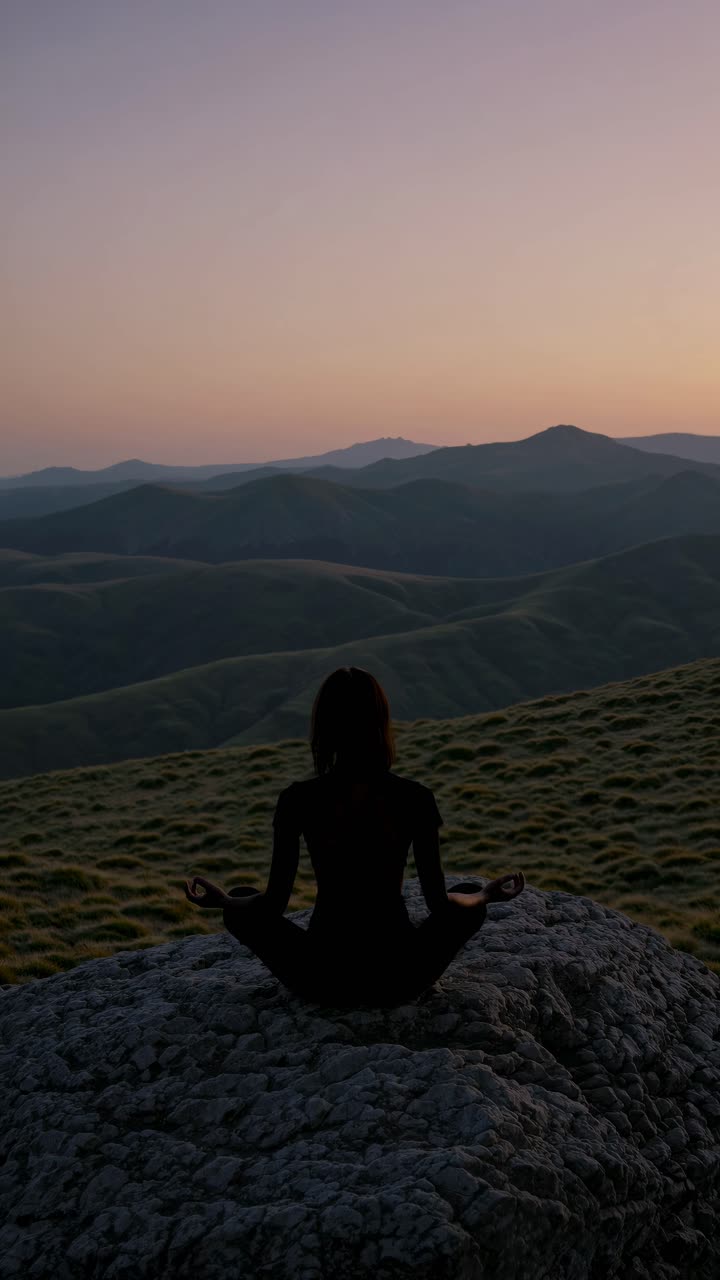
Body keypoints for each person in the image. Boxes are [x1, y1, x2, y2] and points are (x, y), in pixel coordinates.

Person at [184, 666, 525, 1007]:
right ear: (380, 722)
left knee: (243, 898)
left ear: (324, 727)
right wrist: (484, 895)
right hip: (400, 978)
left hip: (323, 980)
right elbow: (438, 903)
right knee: (465, 894)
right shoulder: (414, 797)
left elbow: (274, 904)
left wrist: (225, 901)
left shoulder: (298, 798)